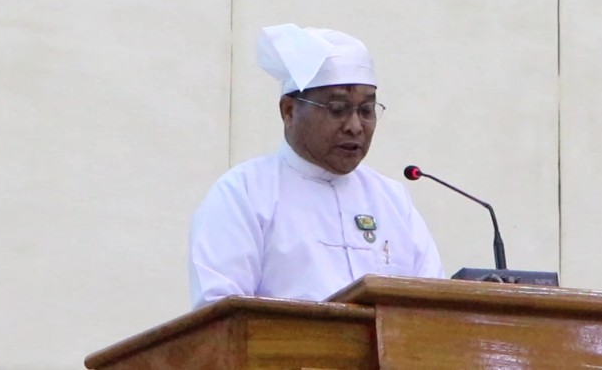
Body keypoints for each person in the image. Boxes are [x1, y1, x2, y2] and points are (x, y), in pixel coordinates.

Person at [188, 23, 445, 308]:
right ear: (289, 111)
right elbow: (220, 313)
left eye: (366, 110)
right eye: (338, 109)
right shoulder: (244, 193)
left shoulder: (393, 200)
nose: (355, 126)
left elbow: (434, 307)